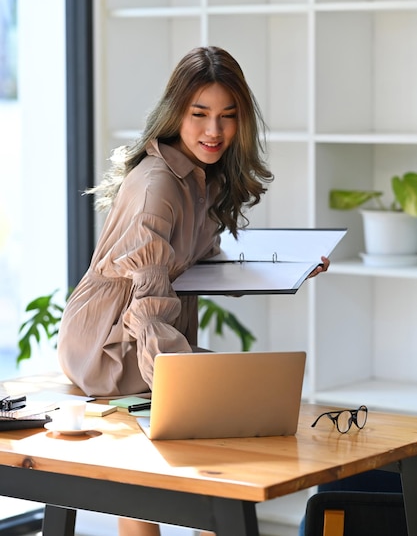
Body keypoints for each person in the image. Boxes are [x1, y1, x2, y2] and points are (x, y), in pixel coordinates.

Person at [57, 46, 330, 536]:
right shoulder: (158, 185)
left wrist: (288, 269)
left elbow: (200, 265)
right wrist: (178, 385)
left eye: (228, 116)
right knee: (221, 423)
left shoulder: (199, 178)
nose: (215, 131)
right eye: (199, 114)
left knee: (236, 411)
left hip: (143, 328)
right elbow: (146, 305)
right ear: (174, 113)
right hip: (110, 345)